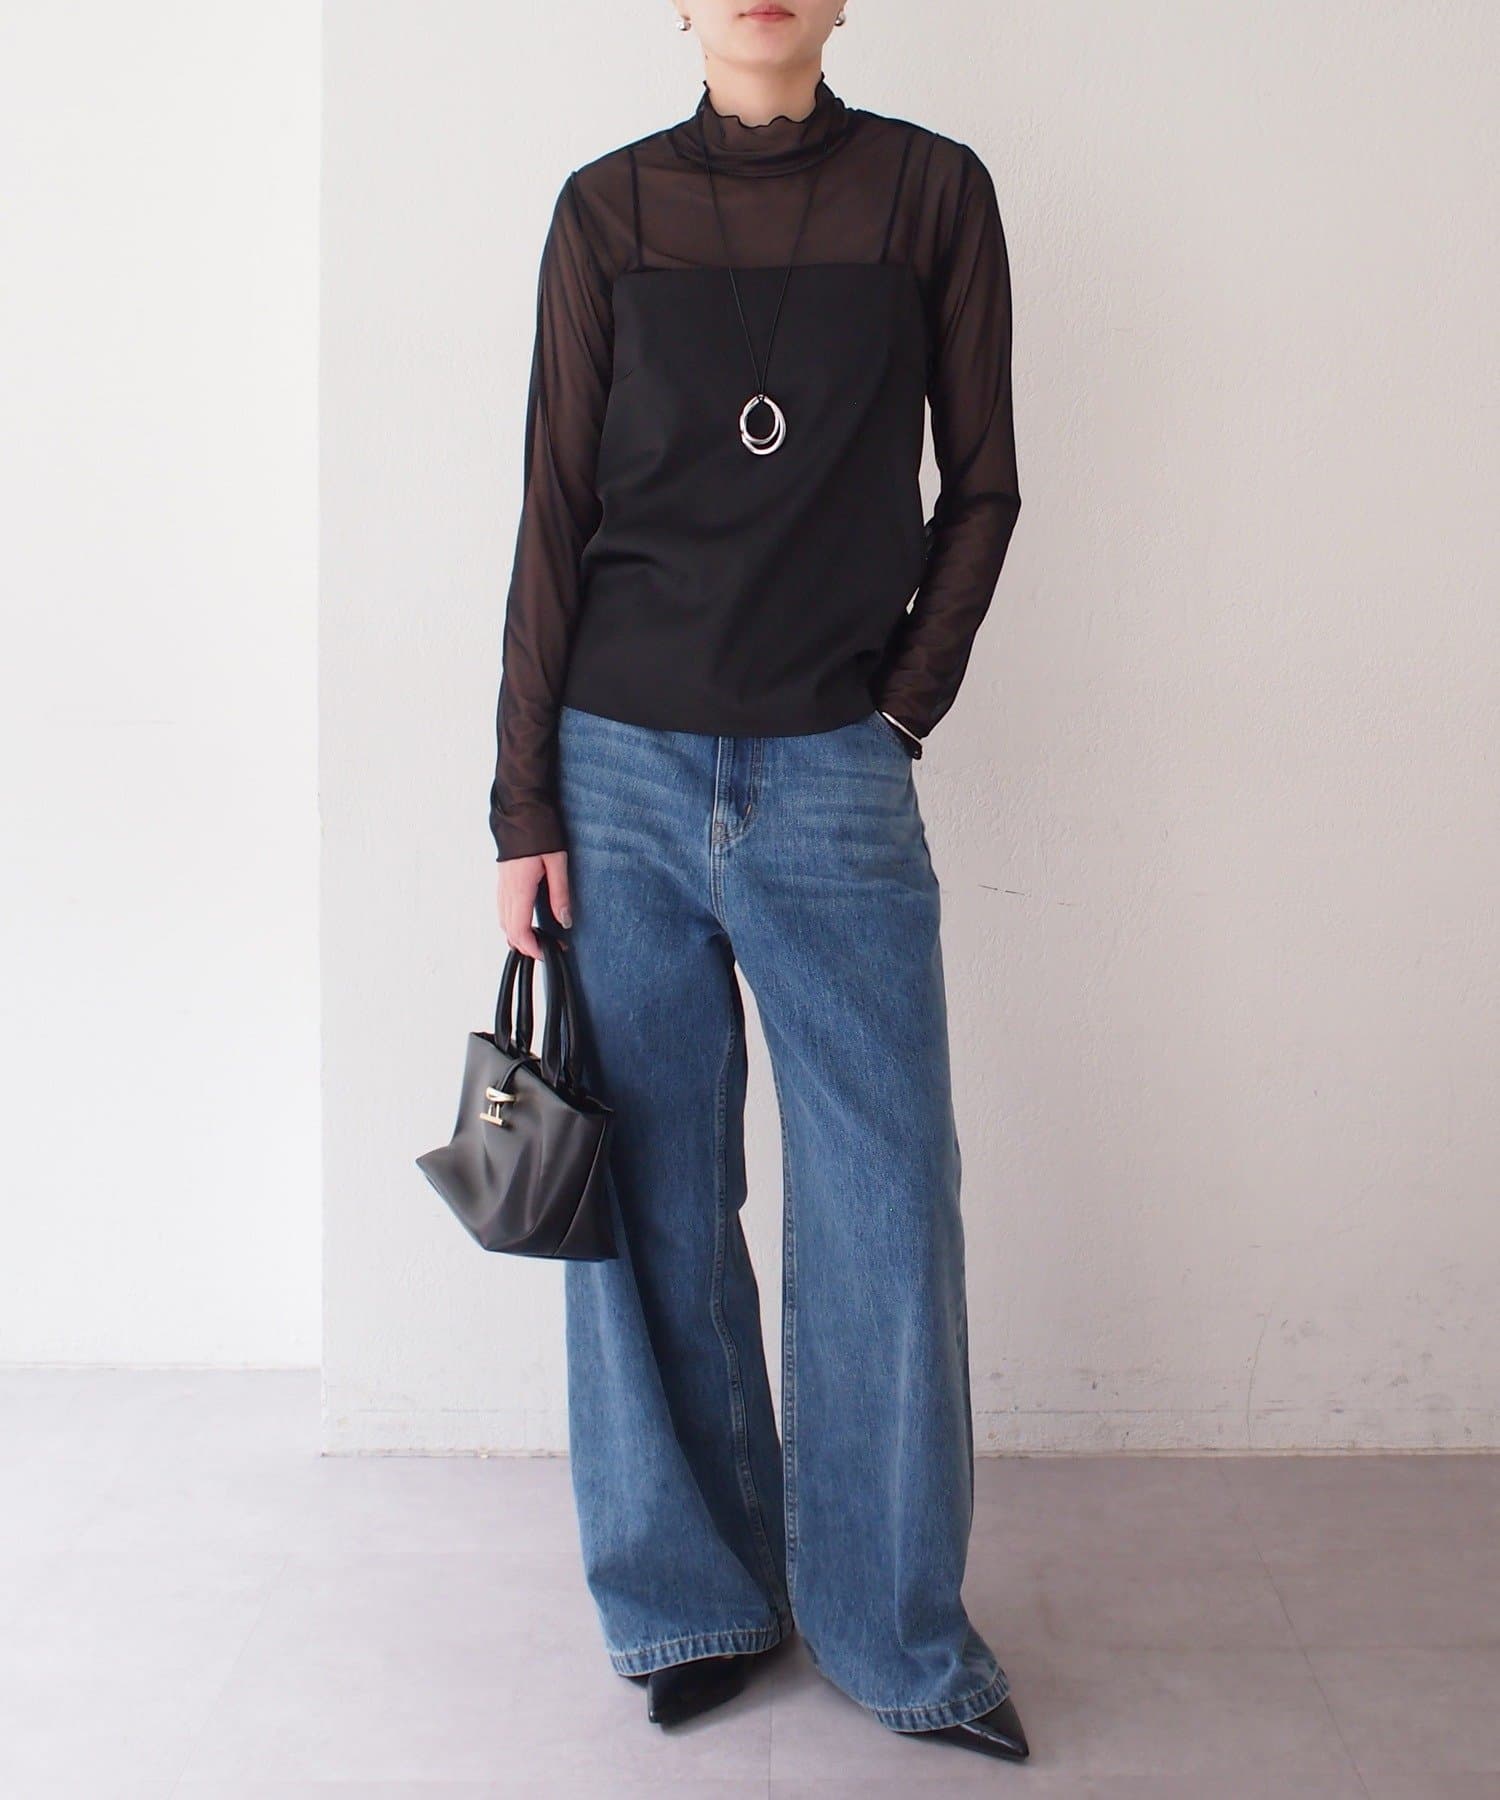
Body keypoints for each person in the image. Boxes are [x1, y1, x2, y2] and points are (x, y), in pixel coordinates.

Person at [488, 0, 1026, 1763]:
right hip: (617, 773)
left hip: (834, 776)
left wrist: (899, 711)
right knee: (649, 1198)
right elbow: (551, 514)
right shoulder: (606, 210)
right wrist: (521, 804)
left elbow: (985, 488)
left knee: (886, 1202)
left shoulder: (932, 193)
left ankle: (895, 1633)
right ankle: (695, 1602)